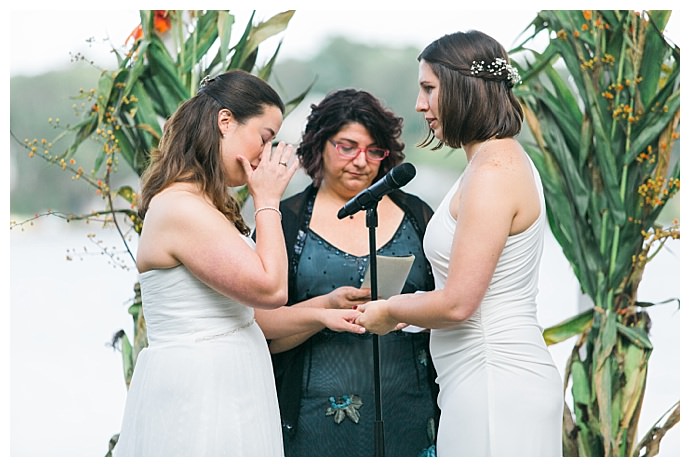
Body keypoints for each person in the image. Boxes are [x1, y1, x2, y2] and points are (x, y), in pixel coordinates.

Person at [355, 31, 564, 456]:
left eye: (429, 88)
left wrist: (389, 310)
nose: (419, 104)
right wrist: (409, 313)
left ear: (464, 88)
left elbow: (459, 304)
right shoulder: (490, 162)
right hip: (479, 378)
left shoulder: (494, 172)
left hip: (496, 381)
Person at [113, 70, 300, 456]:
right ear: (225, 121)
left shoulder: (202, 205)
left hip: (228, 386)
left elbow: (248, 308)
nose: (266, 155)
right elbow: (272, 288)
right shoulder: (181, 207)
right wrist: (267, 201)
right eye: (265, 138)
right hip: (201, 396)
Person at [254, 89, 440, 457]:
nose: (361, 161)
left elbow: (451, 304)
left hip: (412, 410)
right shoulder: (286, 221)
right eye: (347, 147)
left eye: (374, 151)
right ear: (319, 144)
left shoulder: (418, 216)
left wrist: (407, 311)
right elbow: (259, 329)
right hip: (312, 418)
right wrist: (324, 314)